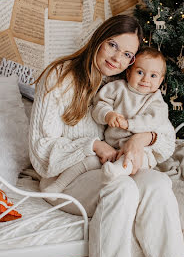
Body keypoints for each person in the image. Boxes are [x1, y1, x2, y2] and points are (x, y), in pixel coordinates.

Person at [29, 15, 184, 257]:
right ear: (100, 38)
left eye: (128, 55)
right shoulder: (59, 77)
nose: (118, 58)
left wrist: (140, 139)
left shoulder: (121, 84)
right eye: (113, 45)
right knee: (123, 191)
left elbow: (165, 136)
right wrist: (94, 145)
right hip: (66, 178)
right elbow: (41, 150)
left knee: (159, 185)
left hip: (110, 168)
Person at [43, 47, 172, 193]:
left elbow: (153, 121)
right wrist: (108, 115)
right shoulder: (117, 88)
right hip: (110, 146)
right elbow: (99, 105)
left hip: (140, 150)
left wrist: (130, 124)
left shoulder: (156, 101)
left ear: (161, 81)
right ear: (129, 73)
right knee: (87, 161)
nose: (145, 79)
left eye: (153, 76)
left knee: (135, 161)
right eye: (140, 72)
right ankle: (58, 186)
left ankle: (116, 173)